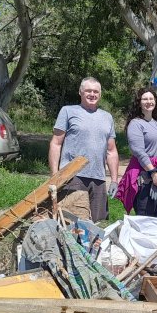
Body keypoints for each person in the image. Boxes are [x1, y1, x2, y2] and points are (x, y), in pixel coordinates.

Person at [48, 77, 119, 222]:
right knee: (71, 222)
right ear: (80, 92)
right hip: (73, 176)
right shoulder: (68, 111)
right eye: (88, 91)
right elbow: (56, 143)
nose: (92, 94)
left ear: (100, 94)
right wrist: (55, 175)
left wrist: (114, 180)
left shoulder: (107, 117)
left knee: (97, 224)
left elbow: (111, 151)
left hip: (98, 178)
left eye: (96, 91)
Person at [117, 88, 157, 217]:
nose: (148, 101)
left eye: (151, 99)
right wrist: (153, 173)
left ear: (155, 102)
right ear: (139, 103)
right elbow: (139, 152)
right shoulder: (135, 124)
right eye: (145, 99)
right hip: (145, 177)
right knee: (144, 218)